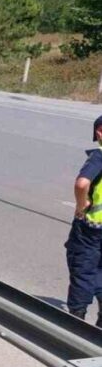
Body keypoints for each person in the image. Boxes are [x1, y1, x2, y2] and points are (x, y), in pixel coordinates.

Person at [67, 115, 102, 325]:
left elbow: (82, 184)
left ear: (99, 133)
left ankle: (76, 328)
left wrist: (81, 207)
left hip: (91, 229)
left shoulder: (99, 157)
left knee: (82, 270)